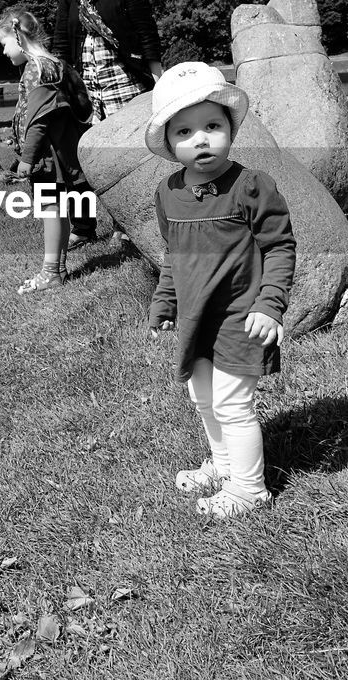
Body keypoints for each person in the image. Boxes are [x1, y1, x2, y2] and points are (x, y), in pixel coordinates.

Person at [145, 63, 296, 519]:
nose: (202, 138)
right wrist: (165, 300)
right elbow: (173, 253)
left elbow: (280, 246)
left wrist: (270, 305)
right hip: (196, 315)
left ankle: (249, 490)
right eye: (186, 131)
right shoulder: (168, 192)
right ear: (170, 144)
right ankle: (224, 466)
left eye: (213, 126)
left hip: (239, 315)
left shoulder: (250, 186)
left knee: (233, 404)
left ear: (229, 129)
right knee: (204, 398)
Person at [55, 0, 164, 247]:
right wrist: (62, 80)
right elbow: (62, 39)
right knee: (86, 157)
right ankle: (83, 228)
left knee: (126, 154)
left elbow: (146, 31)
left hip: (123, 82)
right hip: (86, 87)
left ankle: (126, 222)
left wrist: (157, 73)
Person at [0, 6, 93, 295]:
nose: (3, 52)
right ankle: (59, 269)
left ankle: (50, 272)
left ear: (17, 36)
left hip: (47, 159)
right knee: (60, 210)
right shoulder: (56, 64)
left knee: (51, 209)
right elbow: (82, 104)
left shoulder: (36, 70)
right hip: (62, 154)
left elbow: (39, 120)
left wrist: (27, 159)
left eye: (3, 44)